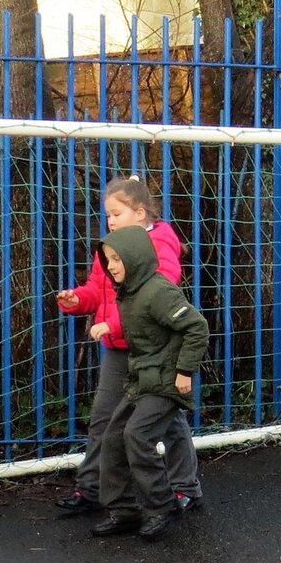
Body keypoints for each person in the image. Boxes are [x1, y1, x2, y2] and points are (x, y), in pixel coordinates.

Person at [55, 176, 203, 515]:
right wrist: (77, 299)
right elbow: (98, 287)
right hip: (118, 348)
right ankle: (92, 487)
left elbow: (156, 299)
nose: (110, 220)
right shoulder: (111, 245)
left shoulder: (160, 243)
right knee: (104, 418)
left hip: (152, 348)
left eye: (116, 213)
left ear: (140, 213)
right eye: (107, 214)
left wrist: (115, 323)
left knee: (169, 421)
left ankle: (185, 487)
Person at [88, 225, 211, 542]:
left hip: (166, 381)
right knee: (114, 437)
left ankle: (160, 506)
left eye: (117, 258)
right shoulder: (128, 292)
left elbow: (196, 327)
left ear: (136, 256)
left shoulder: (158, 291)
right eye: (108, 259)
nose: (112, 265)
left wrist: (184, 371)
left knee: (137, 435)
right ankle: (125, 509)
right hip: (144, 377)